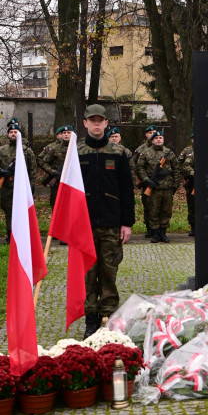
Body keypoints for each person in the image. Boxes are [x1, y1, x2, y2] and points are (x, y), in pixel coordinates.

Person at [78, 104, 135, 338]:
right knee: (88, 274)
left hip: (112, 223)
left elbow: (127, 189)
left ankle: (109, 317)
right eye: (92, 120)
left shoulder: (119, 152)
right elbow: (66, 191)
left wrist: (127, 223)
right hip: (84, 225)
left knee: (109, 273)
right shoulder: (77, 152)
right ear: (85, 123)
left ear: (106, 123)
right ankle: (91, 319)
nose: (97, 124)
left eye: (100, 120)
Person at [136, 131, 180, 243]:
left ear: (163, 140)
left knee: (166, 211)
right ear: (152, 140)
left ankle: (163, 233)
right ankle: (155, 233)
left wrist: (175, 185)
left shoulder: (169, 153)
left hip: (167, 187)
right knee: (153, 211)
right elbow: (140, 168)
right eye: (156, 138)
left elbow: (176, 169)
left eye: (161, 138)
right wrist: (146, 180)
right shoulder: (146, 153)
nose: (159, 140)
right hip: (154, 188)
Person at [0, 124, 37, 243]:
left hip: (22, 186)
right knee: (9, 211)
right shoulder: (2, 149)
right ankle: (10, 236)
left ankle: (22, 236)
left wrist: (31, 184)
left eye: (16, 132)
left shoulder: (26, 150)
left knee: (23, 211)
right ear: (7, 134)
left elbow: (32, 168)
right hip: (6, 186)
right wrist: (3, 172)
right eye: (11, 132)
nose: (13, 134)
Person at [37, 125, 73, 209]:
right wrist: (53, 172)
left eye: (69, 133)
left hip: (72, 182)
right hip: (57, 182)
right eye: (64, 133)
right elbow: (42, 162)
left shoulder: (77, 148)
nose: (66, 134)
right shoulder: (55, 149)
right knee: (57, 206)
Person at [133, 124, 158, 238]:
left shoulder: (162, 147)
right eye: (149, 133)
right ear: (146, 135)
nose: (152, 134)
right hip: (145, 181)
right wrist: (142, 179)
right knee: (147, 206)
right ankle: (148, 228)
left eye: (154, 132)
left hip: (159, 183)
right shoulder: (141, 149)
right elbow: (135, 165)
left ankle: (158, 230)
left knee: (158, 206)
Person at [178, 134, 195, 237]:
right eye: (194, 138)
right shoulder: (187, 151)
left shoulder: (207, 148)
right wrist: (190, 175)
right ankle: (193, 227)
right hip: (192, 182)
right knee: (192, 205)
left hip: (206, 183)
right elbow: (181, 164)